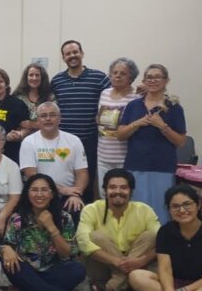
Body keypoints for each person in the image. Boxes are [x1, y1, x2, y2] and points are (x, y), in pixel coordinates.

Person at [0, 173, 88, 291]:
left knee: (78, 270)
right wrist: (7, 249)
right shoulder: (18, 218)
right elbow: (7, 244)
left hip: (54, 271)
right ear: (27, 193)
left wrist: (51, 227)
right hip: (26, 271)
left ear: (52, 194)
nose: (39, 194)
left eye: (44, 190)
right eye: (34, 190)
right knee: (11, 264)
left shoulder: (65, 218)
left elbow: (68, 253)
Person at [116, 64, 186, 224]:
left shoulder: (173, 108)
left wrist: (162, 126)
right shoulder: (133, 106)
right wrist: (138, 123)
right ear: (144, 81)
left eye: (157, 77)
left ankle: (160, 245)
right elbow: (120, 135)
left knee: (160, 213)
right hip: (135, 166)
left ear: (166, 80)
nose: (153, 80)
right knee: (134, 213)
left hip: (161, 167)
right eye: (149, 77)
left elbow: (181, 141)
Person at [76, 169, 160, 291]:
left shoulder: (144, 210)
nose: (118, 192)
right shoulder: (91, 210)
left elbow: (164, 241)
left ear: (131, 191)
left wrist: (140, 261)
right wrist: (116, 261)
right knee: (96, 236)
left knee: (151, 236)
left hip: (137, 265)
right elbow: (82, 242)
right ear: (105, 190)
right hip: (102, 269)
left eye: (123, 188)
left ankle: (112, 286)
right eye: (112, 187)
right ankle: (128, 281)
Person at [50, 40, 110, 202]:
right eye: (68, 54)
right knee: (64, 177)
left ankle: (84, 217)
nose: (72, 56)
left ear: (82, 53)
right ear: (63, 58)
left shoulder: (99, 77)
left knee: (87, 182)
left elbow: (115, 95)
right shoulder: (57, 81)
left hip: (89, 140)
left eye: (75, 52)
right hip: (63, 141)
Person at [19, 102, 88, 220]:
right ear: (38, 120)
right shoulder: (29, 142)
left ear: (59, 118)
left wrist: (76, 194)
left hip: (68, 195)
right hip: (39, 194)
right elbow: (31, 175)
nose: (48, 119)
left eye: (52, 115)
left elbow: (82, 173)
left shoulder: (74, 140)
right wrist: (61, 189)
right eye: (43, 116)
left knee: (76, 209)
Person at [96, 58, 140, 190]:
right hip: (103, 154)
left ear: (131, 77)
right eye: (114, 72)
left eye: (123, 73)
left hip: (125, 156)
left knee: (123, 195)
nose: (118, 76)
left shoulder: (136, 97)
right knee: (104, 193)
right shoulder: (104, 94)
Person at [13, 63, 55, 131]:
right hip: (22, 139)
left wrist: (34, 125)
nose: (34, 78)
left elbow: (55, 119)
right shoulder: (18, 97)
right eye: (31, 75)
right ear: (26, 77)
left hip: (45, 137)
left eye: (37, 75)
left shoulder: (50, 97)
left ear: (42, 78)